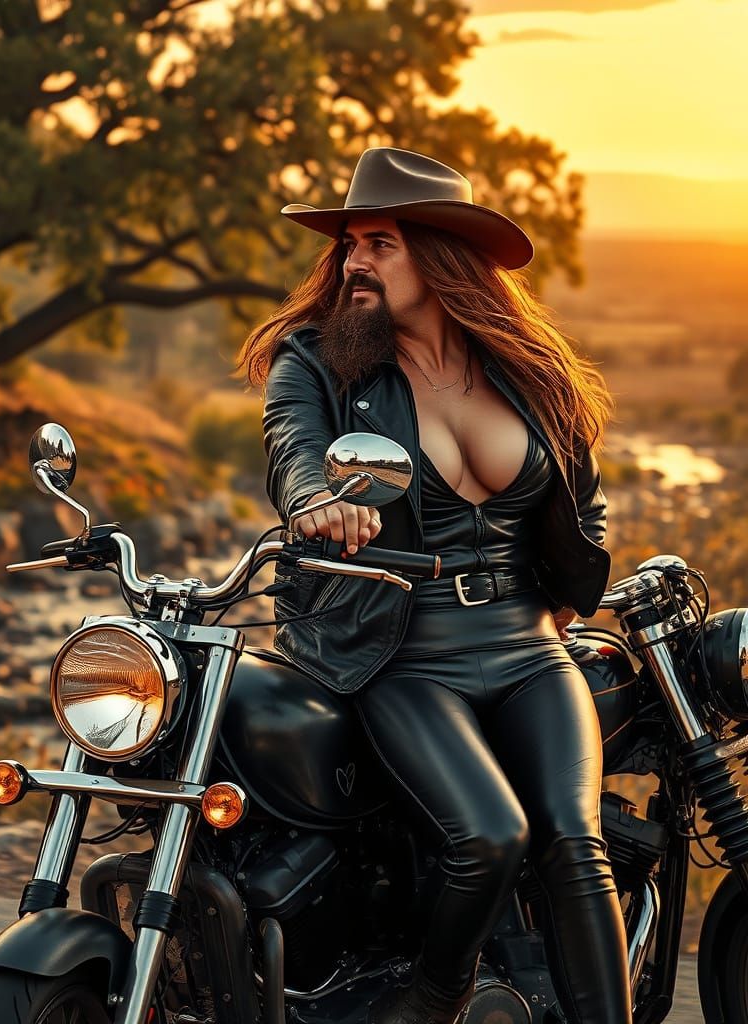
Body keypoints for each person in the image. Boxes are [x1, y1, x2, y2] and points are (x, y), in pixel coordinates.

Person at [236, 148, 632, 1024]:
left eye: (379, 243)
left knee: (577, 843)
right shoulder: (321, 364)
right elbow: (292, 448)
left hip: (529, 646)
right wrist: (314, 505)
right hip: (403, 650)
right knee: (490, 836)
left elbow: (585, 497)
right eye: (348, 245)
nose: (353, 263)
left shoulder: (528, 371)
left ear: (441, 257)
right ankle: (430, 1004)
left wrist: (572, 592)